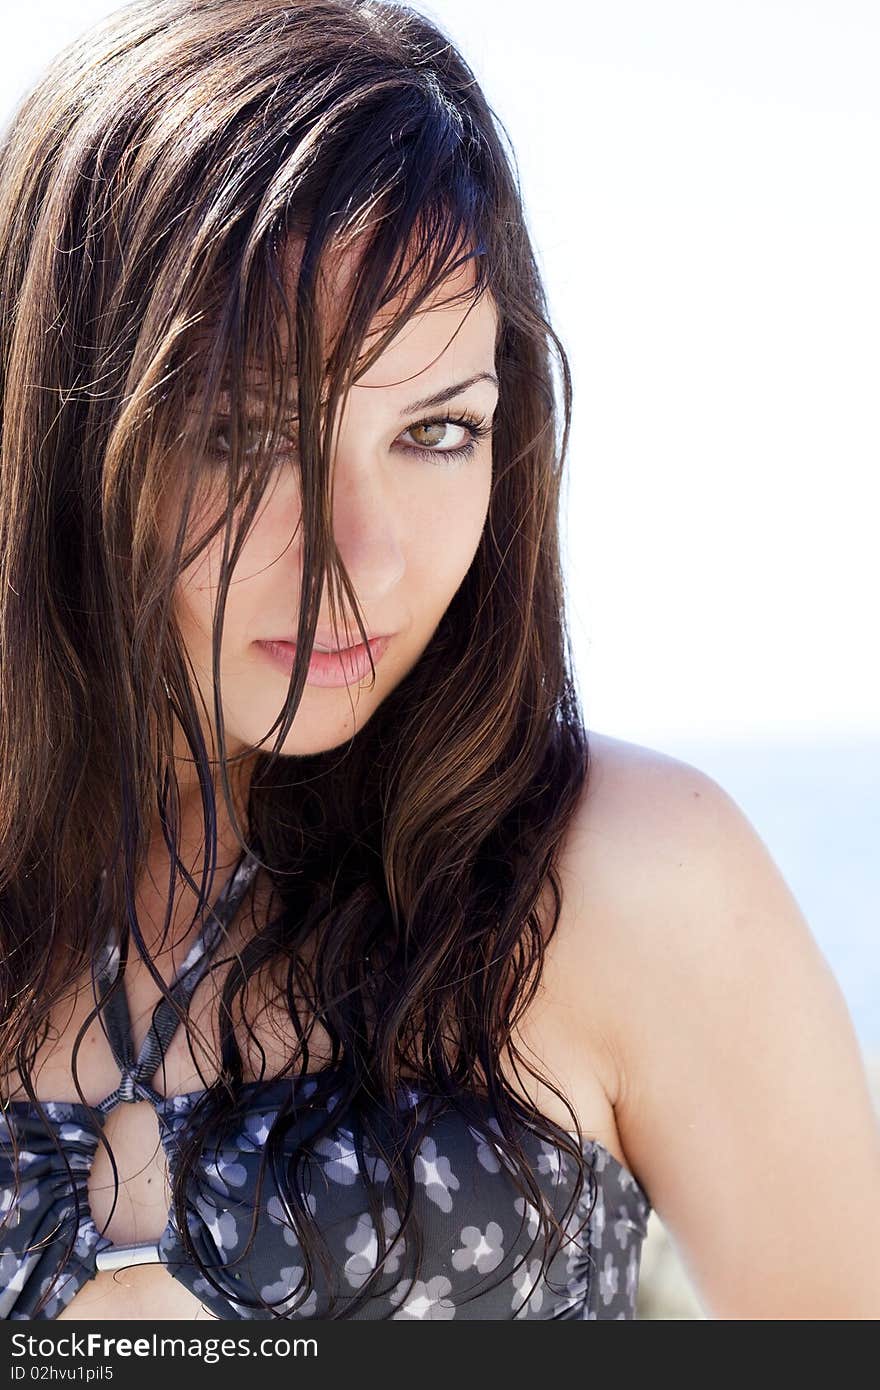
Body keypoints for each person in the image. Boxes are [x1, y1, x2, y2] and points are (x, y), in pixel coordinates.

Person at [0, 0, 877, 1324]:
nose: (363, 553)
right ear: (64, 426)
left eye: (437, 431)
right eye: (245, 438)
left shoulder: (620, 876)